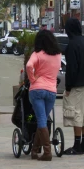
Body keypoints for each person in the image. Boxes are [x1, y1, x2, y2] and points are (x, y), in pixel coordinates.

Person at [25, 30, 61, 161]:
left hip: (37, 89)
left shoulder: (37, 54)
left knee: (41, 120)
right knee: (43, 120)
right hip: (51, 90)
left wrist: (33, 79)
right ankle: (34, 151)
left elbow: (29, 65)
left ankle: (47, 152)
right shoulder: (58, 55)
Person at [62, 18, 84, 155]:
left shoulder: (72, 45)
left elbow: (71, 68)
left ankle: (77, 145)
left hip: (76, 84)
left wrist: (68, 87)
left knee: (76, 114)